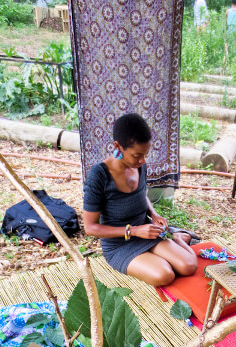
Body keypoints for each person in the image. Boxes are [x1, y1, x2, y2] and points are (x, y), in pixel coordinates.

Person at [83, 113, 197, 287]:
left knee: (189, 266)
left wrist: (154, 213)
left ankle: (179, 238)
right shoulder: (99, 175)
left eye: (145, 154)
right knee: (164, 275)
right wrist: (134, 231)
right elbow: (90, 227)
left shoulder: (138, 165)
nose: (143, 160)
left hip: (147, 232)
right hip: (119, 245)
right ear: (118, 146)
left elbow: (141, 194)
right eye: (137, 155)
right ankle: (166, 250)